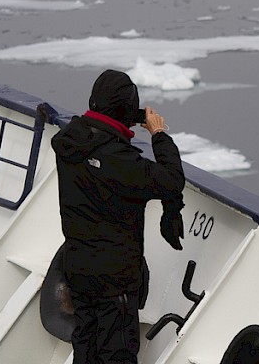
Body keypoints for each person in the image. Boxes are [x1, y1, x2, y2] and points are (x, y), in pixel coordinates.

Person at [51, 69, 186, 364]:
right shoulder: (120, 161)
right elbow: (171, 180)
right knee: (117, 356)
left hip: (78, 270)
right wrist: (159, 135)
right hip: (114, 282)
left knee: (85, 348)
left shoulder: (69, 142)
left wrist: (121, 121)